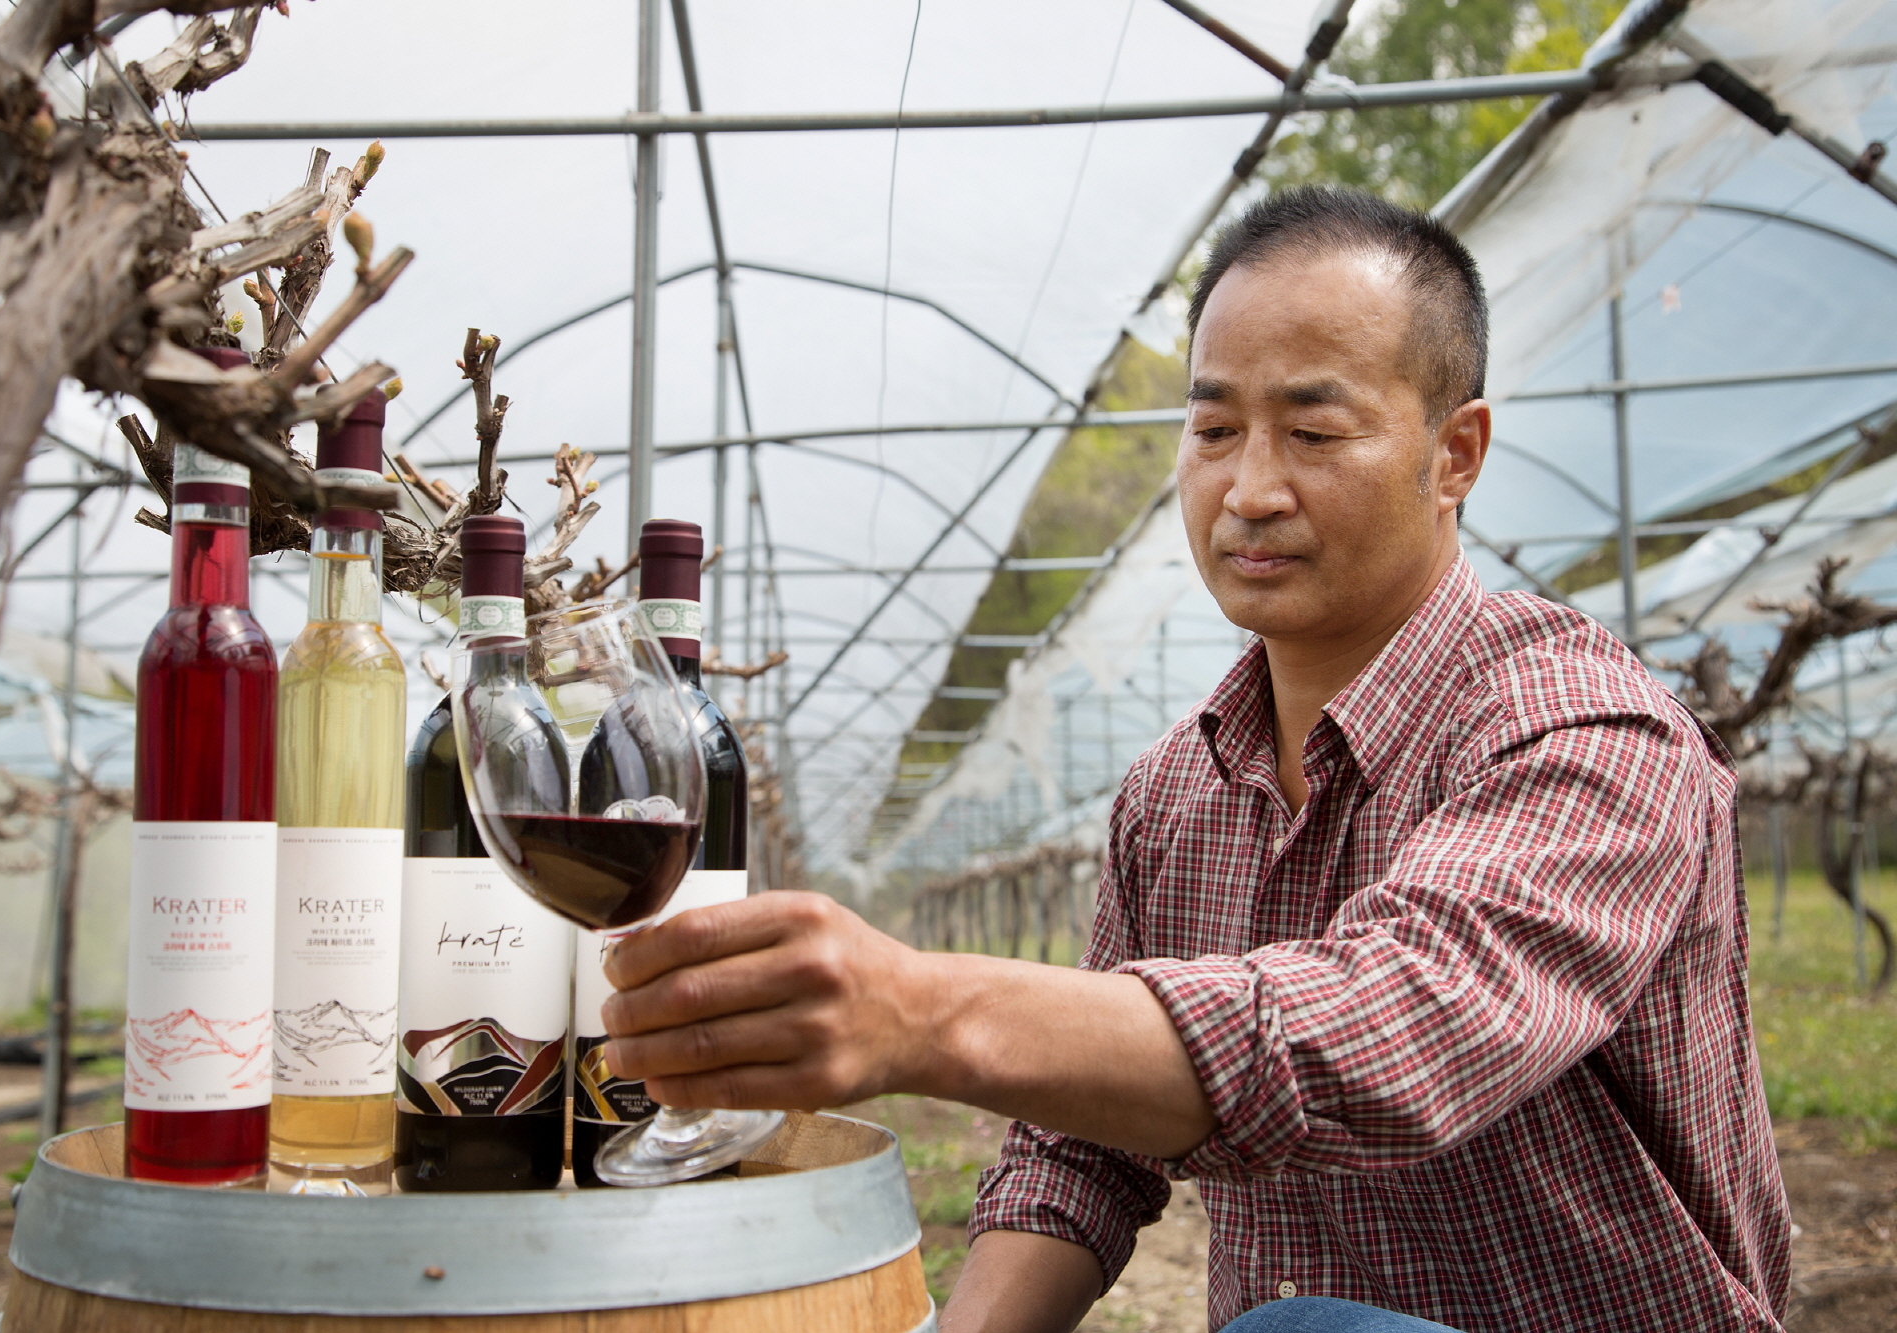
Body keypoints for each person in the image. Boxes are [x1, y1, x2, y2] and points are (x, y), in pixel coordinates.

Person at [596, 186, 1792, 1332]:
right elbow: (1080, 1154)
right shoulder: (1175, 793)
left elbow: (1393, 1030)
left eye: (1312, 432)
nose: (1249, 489)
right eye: (1213, 430)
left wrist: (926, 1012)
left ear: (1454, 454)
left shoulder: (1581, 728)